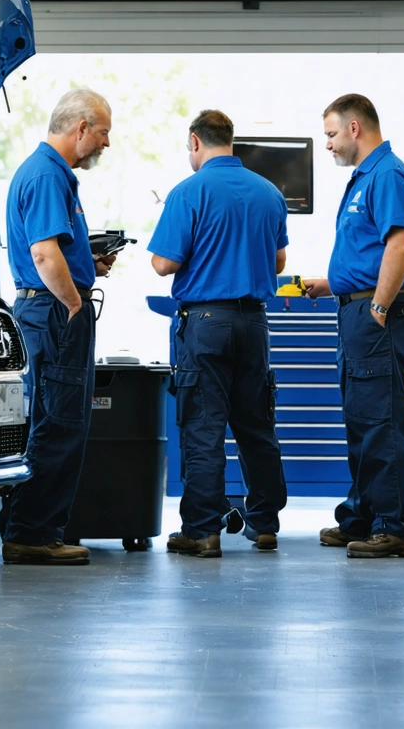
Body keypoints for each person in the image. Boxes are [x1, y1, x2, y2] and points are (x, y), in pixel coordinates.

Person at [149, 109, 289, 558]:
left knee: (203, 428)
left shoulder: (188, 192)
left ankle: (203, 531)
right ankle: (265, 523)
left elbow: (163, 263)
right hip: (254, 323)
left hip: (206, 324)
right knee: (256, 425)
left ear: (195, 142)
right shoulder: (269, 192)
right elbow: (279, 261)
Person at [0, 88, 115, 566]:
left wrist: (89, 265)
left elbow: (54, 251)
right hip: (52, 312)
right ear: (81, 127)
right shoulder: (49, 175)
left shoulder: (45, 172)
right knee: (60, 422)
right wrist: (72, 303)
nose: (107, 143)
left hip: (42, 310)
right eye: (104, 131)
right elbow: (44, 254)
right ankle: (33, 533)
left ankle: (24, 526)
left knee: (46, 420)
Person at [303, 94, 404, 559]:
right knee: (362, 418)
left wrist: (376, 307)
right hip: (356, 311)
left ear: (354, 129)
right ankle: (362, 516)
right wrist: (332, 283)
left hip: (380, 316)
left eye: (331, 134)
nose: (328, 145)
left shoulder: (387, 174)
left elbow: (401, 246)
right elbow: (368, 256)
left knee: (381, 421)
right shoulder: (365, 178)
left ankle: (395, 527)